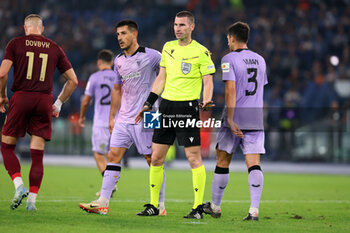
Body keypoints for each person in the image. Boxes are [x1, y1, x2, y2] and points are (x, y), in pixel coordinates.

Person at [79, 20, 167, 215]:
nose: (119, 37)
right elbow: (117, 90)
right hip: (123, 118)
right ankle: (103, 202)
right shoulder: (118, 60)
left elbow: (166, 75)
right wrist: (112, 116)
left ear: (134, 34)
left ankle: (159, 205)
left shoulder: (152, 56)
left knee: (152, 160)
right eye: (118, 34)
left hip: (148, 116)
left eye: (124, 33)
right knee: (112, 156)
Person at [136, 11, 215, 219]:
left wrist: (207, 98)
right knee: (156, 158)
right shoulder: (167, 47)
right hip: (165, 107)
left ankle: (198, 208)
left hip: (187, 108)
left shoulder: (202, 52)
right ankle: (154, 205)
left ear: (192, 27)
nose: (177, 28)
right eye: (175, 24)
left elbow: (208, 81)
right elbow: (161, 78)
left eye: (181, 25)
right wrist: (148, 103)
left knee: (193, 157)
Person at [0, 14, 78, 211]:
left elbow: (2, 73)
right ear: (42, 29)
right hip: (44, 100)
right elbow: (73, 81)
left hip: (21, 97)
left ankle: (19, 186)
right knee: (37, 155)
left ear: (26, 28)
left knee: (7, 147)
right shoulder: (54, 47)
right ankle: (32, 202)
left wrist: (2, 96)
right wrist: (58, 103)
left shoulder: (15, 43)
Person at [202, 22, 267, 221]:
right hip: (255, 117)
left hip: (235, 117)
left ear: (231, 38)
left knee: (222, 160)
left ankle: (215, 206)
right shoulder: (260, 60)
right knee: (254, 164)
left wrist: (230, 118)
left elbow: (231, 89)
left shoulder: (228, 59)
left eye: (227, 39)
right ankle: (254, 211)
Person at [78, 49, 118, 196]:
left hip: (101, 123)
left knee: (98, 153)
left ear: (99, 62)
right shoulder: (117, 76)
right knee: (112, 155)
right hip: (116, 122)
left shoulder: (94, 77)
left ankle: (109, 184)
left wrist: (82, 116)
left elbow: (86, 101)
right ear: (112, 63)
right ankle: (110, 184)